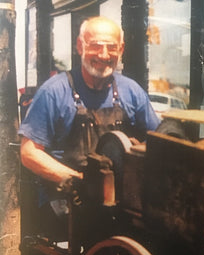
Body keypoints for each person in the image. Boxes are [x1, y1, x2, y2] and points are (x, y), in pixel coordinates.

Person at [19, 16, 160, 236]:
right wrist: (81, 180)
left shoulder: (131, 91)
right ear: (80, 46)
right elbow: (29, 153)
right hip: (66, 200)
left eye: (111, 47)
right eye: (95, 46)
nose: (103, 55)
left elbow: (159, 139)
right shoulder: (54, 92)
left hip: (117, 199)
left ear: (120, 49)